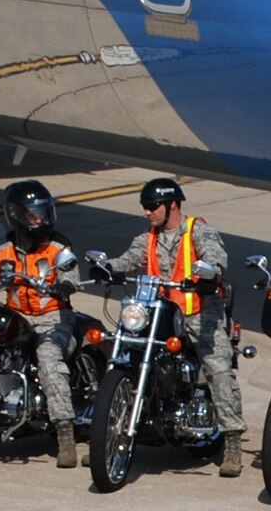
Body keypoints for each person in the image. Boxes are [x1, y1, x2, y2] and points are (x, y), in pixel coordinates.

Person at [98, 178, 246, 477]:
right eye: (145, 207)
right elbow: (129, 259)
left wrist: (209, 274)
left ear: (172, 205)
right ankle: (106, 438)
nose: (147, 212)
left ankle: (232, 443)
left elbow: (217, 258)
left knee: (217, 367)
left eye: (152, 206)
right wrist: (106, 268)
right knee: (127, 350)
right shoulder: (148, 238)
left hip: (200, 313)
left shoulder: (198, 231)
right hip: (161, 313)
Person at [0, 180, 83, 468]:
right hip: (17, 316)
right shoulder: (2, 251)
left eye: (43, 212)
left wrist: (65, 286)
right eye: (33, 215)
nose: (40, 219)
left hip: (54, 318)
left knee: (48, 358)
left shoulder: (57, 247)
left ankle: (65, 434)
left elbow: (71, 272)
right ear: (16, 215)